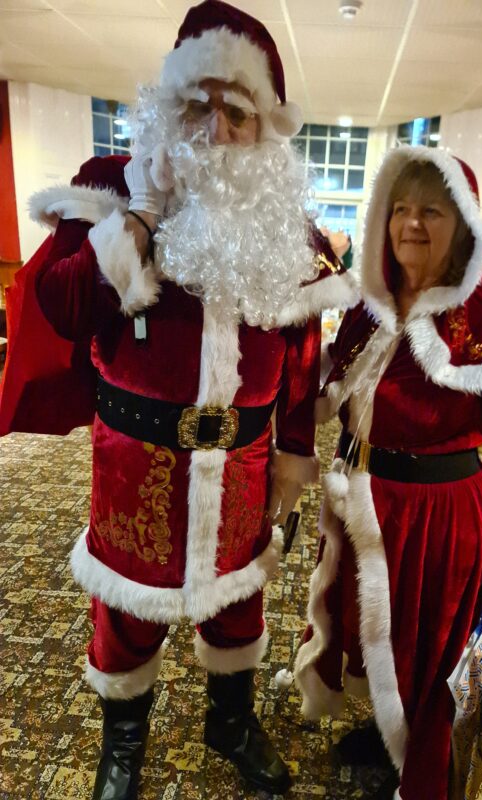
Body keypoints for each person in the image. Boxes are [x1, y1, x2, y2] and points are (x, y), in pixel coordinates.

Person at [1, 2, 357, 798]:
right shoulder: (111, 186)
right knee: (127, 613)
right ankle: (122, 742)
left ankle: (229, 721)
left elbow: (299, 355)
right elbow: (59, 305)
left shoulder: (286, 232)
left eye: (239, 111)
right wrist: (138, 219)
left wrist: (294, 455)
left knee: (238, 602)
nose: (219, 128)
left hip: (245, 464)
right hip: (136, 462)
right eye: (201, 104)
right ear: (170, 107)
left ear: (265, 128)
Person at [293, 146, 482, 800]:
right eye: (400, 209)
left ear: (462, 222)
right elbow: (332, 389)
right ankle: (389, 738)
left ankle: (421, 773)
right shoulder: (368, 306)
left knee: (429, 652)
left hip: (439, 514)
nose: (411, 223)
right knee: (369, 634)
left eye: (430, 210)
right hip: (363, 498)